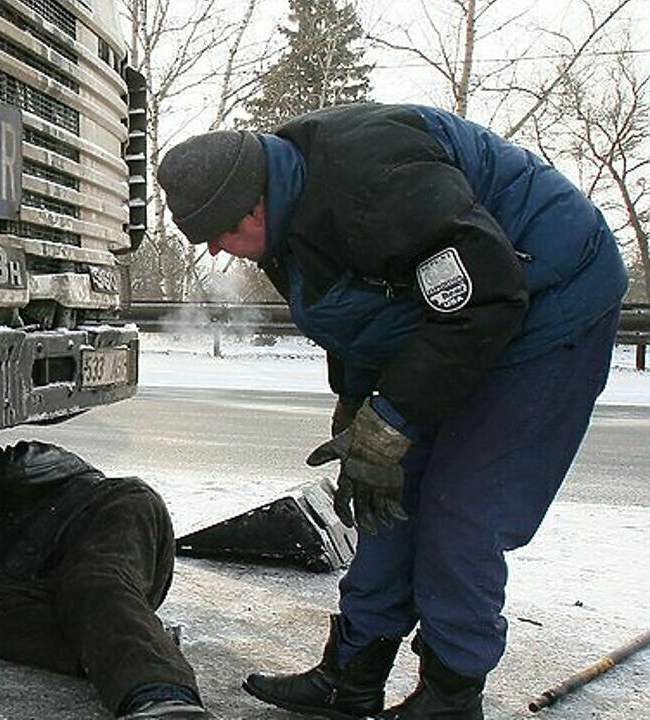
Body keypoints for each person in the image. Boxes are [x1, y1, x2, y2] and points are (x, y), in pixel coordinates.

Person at [156, 103, 626, 719]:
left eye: (218, 233)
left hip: (549, 301)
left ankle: (450, 695)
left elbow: (486, 295)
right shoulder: (290, 209)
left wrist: (395, 416)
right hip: (455, 321)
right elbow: (360, 314)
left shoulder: (374, 179)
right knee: (382, 490)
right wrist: (358, 407)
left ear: (253, 203)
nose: (217, 251)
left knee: (463, 504)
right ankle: (353, 674)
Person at [0, 441, 212, 719]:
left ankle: (164, 697)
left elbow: (18, 463)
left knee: (93, 580)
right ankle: (134, 637)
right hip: (69, 589)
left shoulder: (46, 470)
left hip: (111, 516)